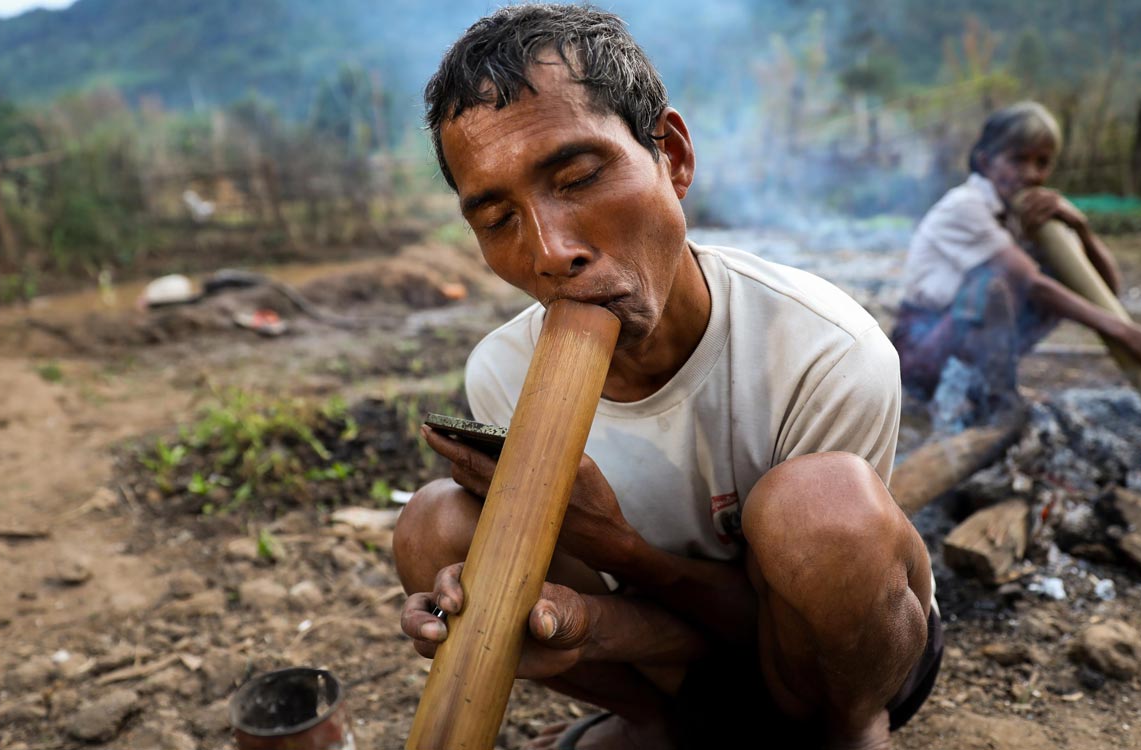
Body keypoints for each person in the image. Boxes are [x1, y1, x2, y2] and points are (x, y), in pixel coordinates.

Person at [395, 6, 939, 749]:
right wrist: (543, 612)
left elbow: (814, 615)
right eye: (497, 219)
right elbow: (631, 616)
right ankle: (657, 723)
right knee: (438, 528)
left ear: (672, 156)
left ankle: (848, 734)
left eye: (579, 177)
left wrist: (618, 546)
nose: (549, 252)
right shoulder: (503, 370)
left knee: (824, 508)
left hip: (827, 664)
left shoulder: (825, 350)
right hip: (672, 660)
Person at [892, 101, 1141, 420]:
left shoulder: (1030, 216)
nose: (1031, 174)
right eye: (1018, 160)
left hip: (961, 349)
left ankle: (987, 388)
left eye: (1042, 162)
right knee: (999, 284)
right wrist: (1129, 335)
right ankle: (986, 396)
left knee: (1055, 280)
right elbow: (1030, 283)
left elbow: (1103, 289)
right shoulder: (964, 206)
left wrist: (1082, 229)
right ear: (985, 161)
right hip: (922, 357)